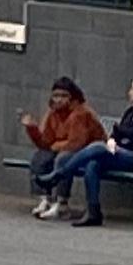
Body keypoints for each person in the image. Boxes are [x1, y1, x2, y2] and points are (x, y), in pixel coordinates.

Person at [53, 70, 133, 226]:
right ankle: (93, 212)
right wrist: (113, 142)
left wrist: (120, 136)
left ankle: (58, 175)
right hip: (120, 152)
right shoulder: (132, 112)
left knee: (97, 147)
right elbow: (118, 135)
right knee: (93, 164)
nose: (130, 93)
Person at [22, 75, 107, 218]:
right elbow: (45, 142)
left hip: (89, 151)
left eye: (63, 96)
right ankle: (45, 198)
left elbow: (77, 143)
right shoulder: (53, 113)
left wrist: (54, 146)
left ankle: (62, 202)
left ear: (72, 97)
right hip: (64, 148)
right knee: (40, 157)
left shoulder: (81, 113)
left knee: (64, 159)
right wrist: (32, 129)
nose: (59, 99)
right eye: (55, 95)